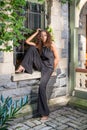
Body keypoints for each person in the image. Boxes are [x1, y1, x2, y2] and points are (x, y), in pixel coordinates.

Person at [15, 28, 59, 120]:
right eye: (42, 35)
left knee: (42, 87)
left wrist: (53, 70)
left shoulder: (51, 45)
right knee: (31, 48)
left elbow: (57, 59)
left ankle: (45, 113)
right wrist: (36, 32)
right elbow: (27, 41)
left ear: (48, 36)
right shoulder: (39, 46)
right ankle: (22, 66)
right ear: (40, 37)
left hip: (48, 68)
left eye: (45, 35)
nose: (44, 37)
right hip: (41, 65)